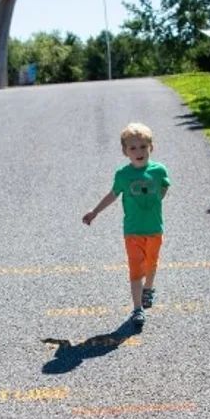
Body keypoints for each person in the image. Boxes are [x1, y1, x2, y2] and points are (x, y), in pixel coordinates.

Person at [82, 122, 170, 330]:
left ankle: (149, 288)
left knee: (152, 263)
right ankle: (137, 309)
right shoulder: (123, 175)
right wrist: (95, 212)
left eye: (143, 147)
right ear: (125, 151)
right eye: (133, 148)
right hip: (132, 231)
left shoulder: (158, 171)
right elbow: (112, 195)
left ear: (151, 147)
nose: (139, 152)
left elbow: (164, 187)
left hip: (155, 228)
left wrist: (155, 202)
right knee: (135, 269)